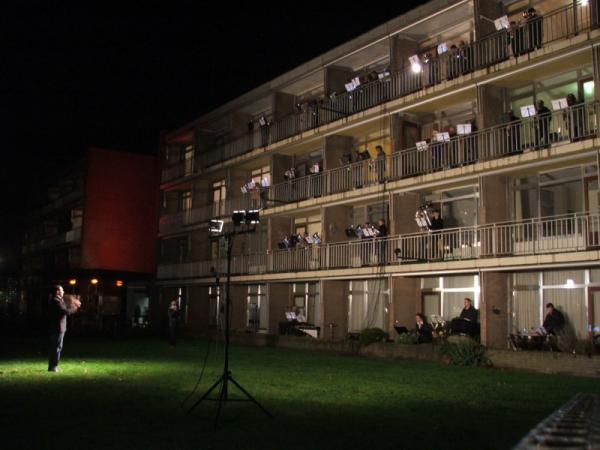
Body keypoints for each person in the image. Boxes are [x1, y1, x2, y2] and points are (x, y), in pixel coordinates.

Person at [47, 284, 81, 372]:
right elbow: (65, 311)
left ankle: (52, 366)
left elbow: (65, 308)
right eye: (62, 290)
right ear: (57, 291)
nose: (63, 291)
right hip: (58, 328)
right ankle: (53, 366)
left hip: (58, 327)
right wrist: (75, 307)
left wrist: (72, 303)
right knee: (57, 347)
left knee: (56, 347)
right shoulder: (56, 301)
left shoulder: (58, 300)